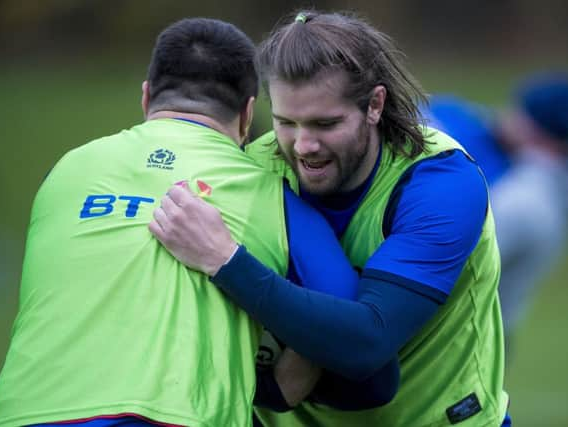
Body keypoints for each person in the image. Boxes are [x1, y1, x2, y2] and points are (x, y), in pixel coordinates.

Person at [0, 17, 397, 427]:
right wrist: (277, 388)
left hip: (22, 414)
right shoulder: (272, 197)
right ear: (247, 114)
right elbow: (361, 351)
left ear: (147, 98)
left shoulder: (63, 173)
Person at [149, 10, 511, 427]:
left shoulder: (440, 183)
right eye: (287, 122)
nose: (303, 146)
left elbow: (368, 343)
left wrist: (226, 261)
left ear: (374, 105)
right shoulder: (253, 170)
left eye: (326, 124)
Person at [424, 73, 568, 352]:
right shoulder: (529, 179)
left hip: (460, 341)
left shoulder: (527, 198)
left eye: (522, 114)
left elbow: (453, 256)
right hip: (479, 335)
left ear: (544, 135)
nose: (508, 116)